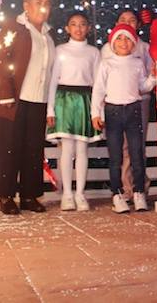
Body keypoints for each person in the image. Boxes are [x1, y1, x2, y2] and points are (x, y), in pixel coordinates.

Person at [0, 0, 57, 215]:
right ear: (26, 6)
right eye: (38, 2)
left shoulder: (48, 35)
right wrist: (5, 93)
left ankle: (29, 195)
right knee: (9, 148)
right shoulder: (13, 28)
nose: (43, 7)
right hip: (13, 100)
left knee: (33, 150)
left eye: (46, 3)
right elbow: (0, 60)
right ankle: (6, 196)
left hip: (38, 101)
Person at [91, 24, 156, 213]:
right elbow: (98, 90)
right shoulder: (107, 64)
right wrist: (96, 113)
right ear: (112, 43)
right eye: (119, 38)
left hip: (133, 109)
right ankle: (116, 194)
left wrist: (153, 77)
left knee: (136, 153)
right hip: (113, 111)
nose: (123, 42)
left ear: (134, 43)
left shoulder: (137, 63)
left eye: (127, 38)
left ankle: (138, 193)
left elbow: (143, 86)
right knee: (116, 156)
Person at [46, 11, 101, 211]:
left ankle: (80, 194)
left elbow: (98, 84)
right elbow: (52, 81)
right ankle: (67, 194)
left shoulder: (94, 52)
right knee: (67, 149)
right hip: (64, 101)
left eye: (82, 24)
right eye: (74, 24)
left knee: (82, 150)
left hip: (84, 101)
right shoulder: (60, 50)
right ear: (67, 28)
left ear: (88, 28)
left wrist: (97, 112)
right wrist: (50, 109)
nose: (78, 28)